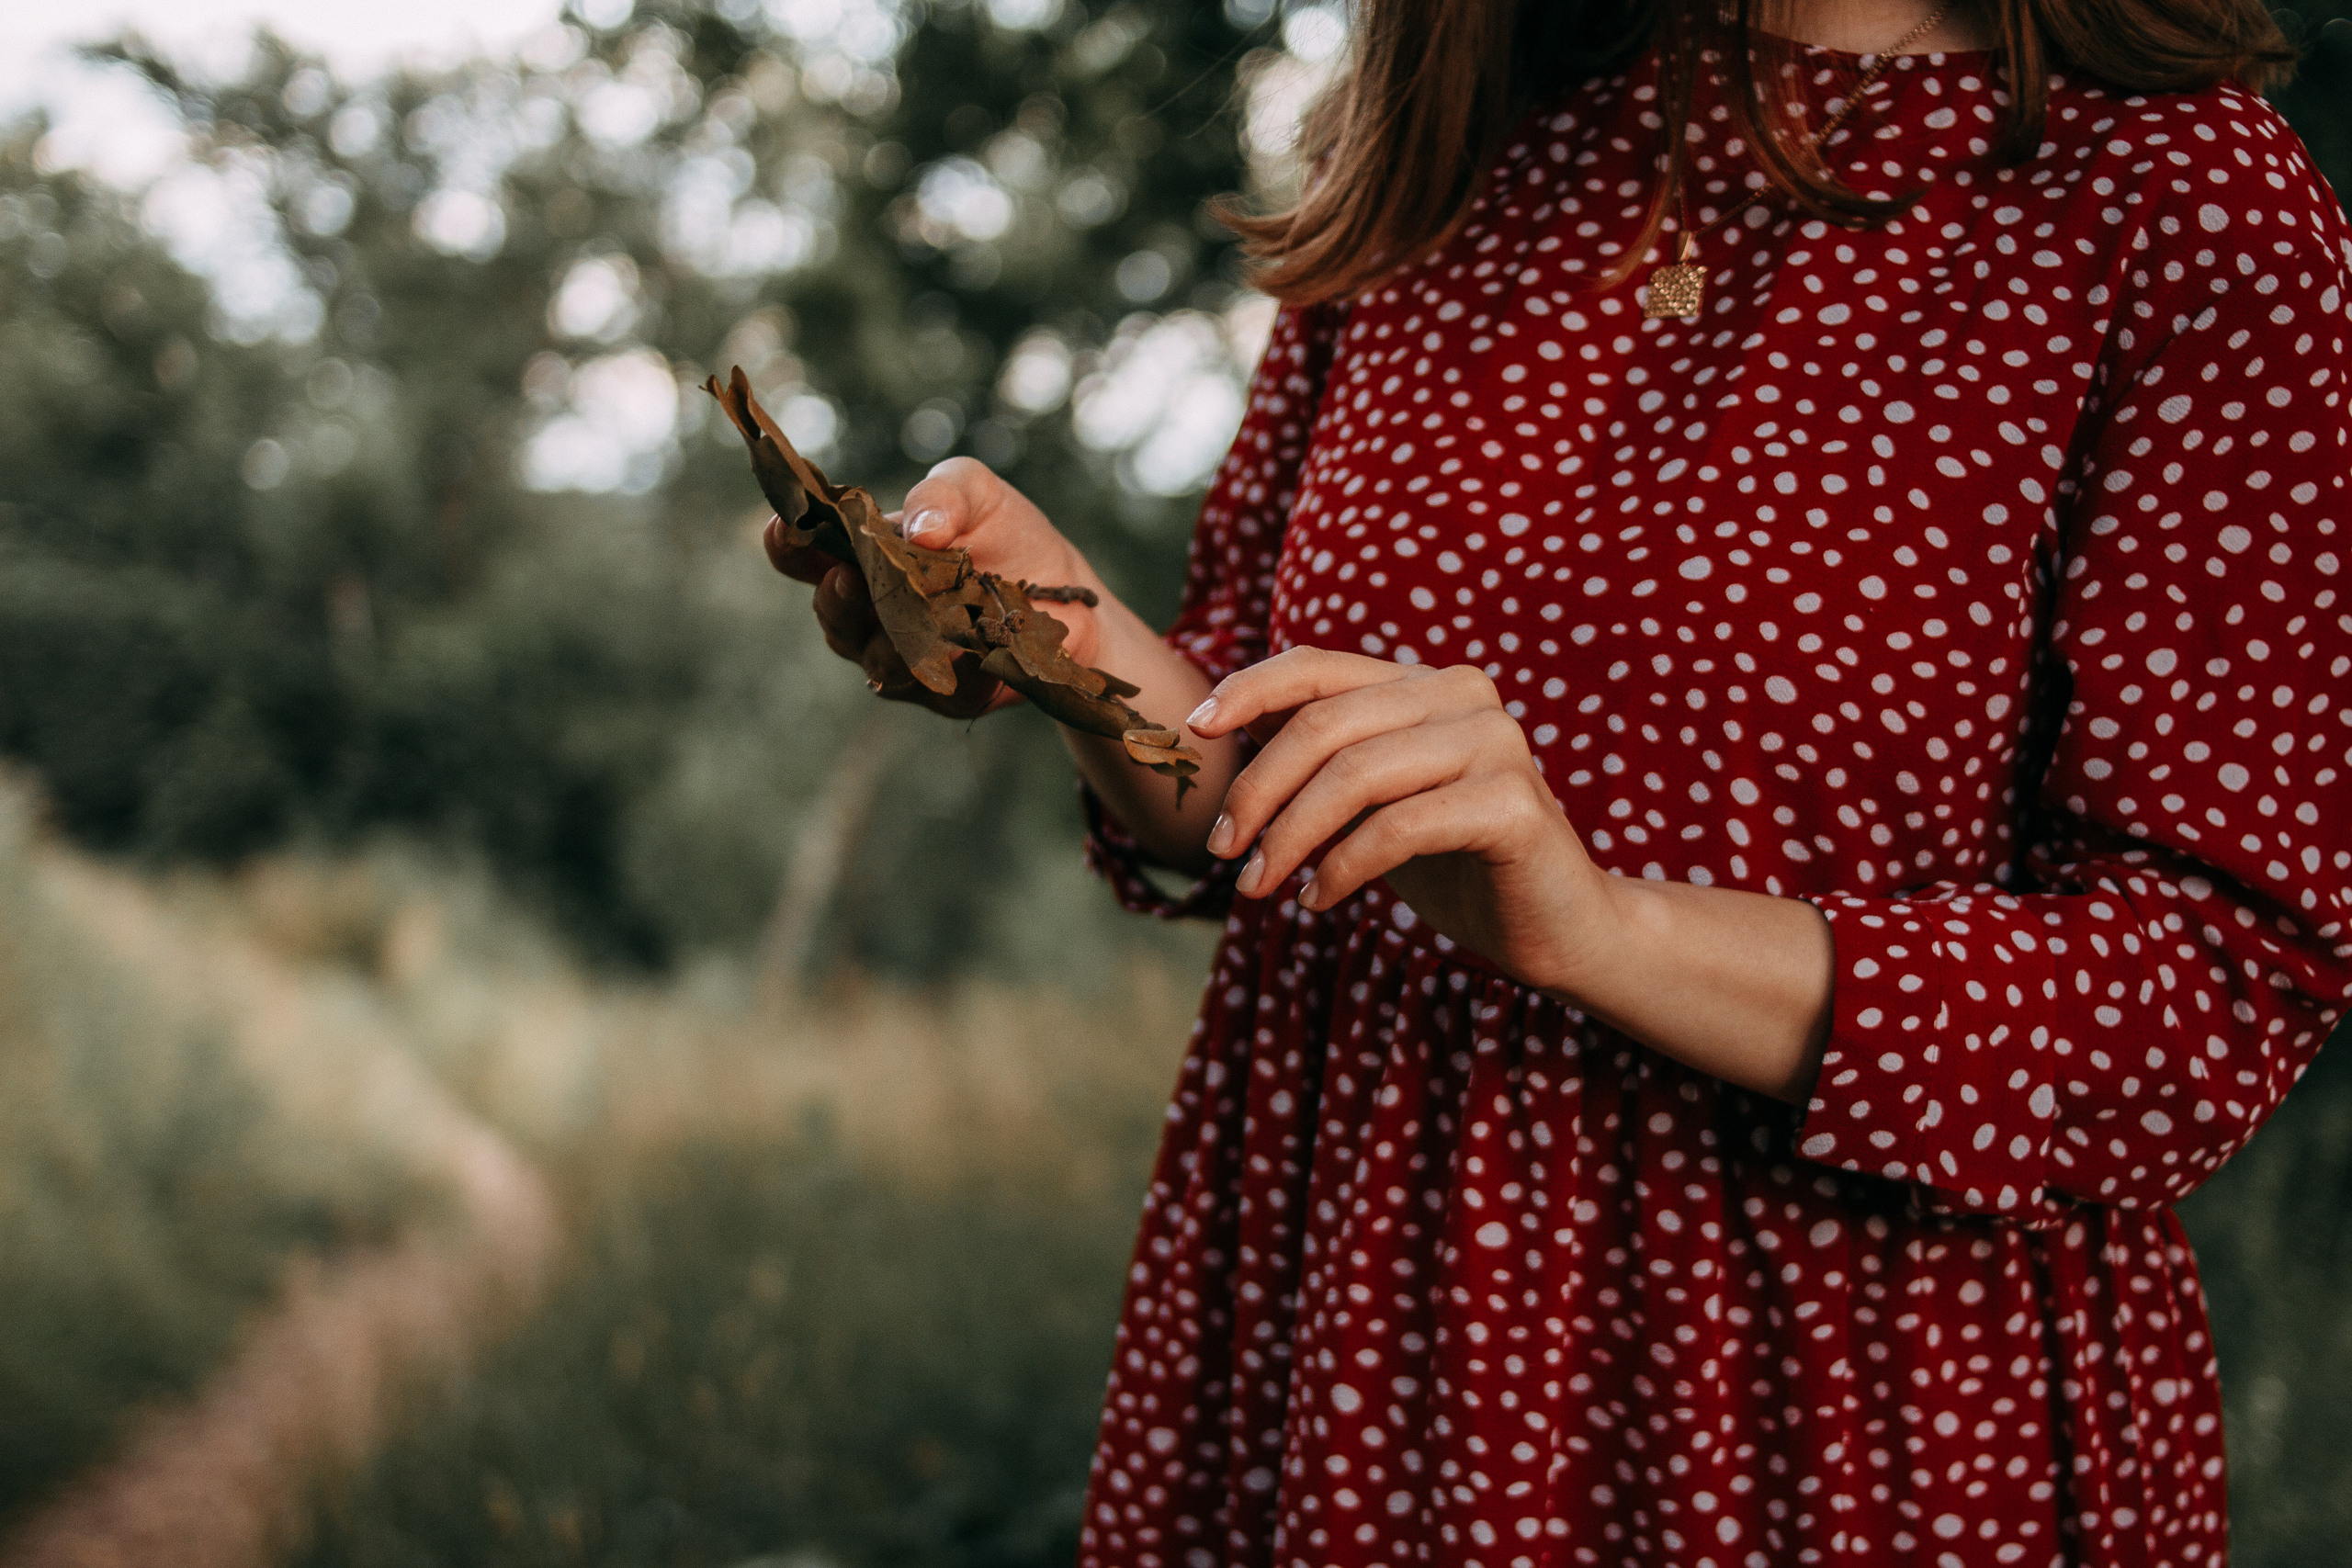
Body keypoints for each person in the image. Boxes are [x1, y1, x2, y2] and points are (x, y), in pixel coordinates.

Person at [771, 0, 2352, 1560]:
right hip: (1341, 1340)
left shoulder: (2180, 202)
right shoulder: (1445, 140)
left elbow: (2212, 986)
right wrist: (1064, 641)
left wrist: (1597, 927)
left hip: (1818, 1403)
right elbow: (1253, 783)